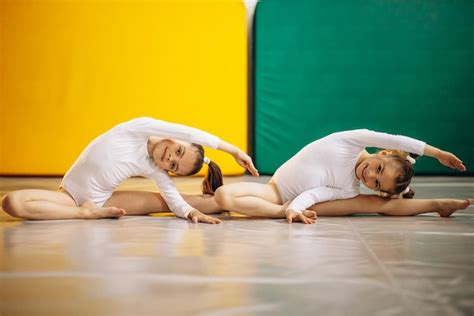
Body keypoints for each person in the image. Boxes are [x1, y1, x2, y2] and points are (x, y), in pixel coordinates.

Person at [2, 117, 258, 223]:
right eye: (178, 152)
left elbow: (174, 200)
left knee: (166, 202)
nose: (170, 158)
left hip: (101, 200)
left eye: (173, 167)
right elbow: (191, 133)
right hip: (68, 195)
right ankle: (83, 213)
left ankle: (228, 200)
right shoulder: (139, 128)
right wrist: (233, 150)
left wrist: (192, 214)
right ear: (175, 139)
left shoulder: (154, 168)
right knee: (11, 201)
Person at [214, 129, 472, 224]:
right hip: (275, 189)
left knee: (223, 198)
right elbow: (395, 139)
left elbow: (316, 194)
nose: (370, 176)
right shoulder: (351, 140)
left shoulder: (350, 189)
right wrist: (436, 153)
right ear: (382, 153)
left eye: (377, 184)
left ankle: (280, 212)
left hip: (286, 200)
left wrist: (293, 209)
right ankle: (280, 210)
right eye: (378, 168)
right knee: (222, 194)